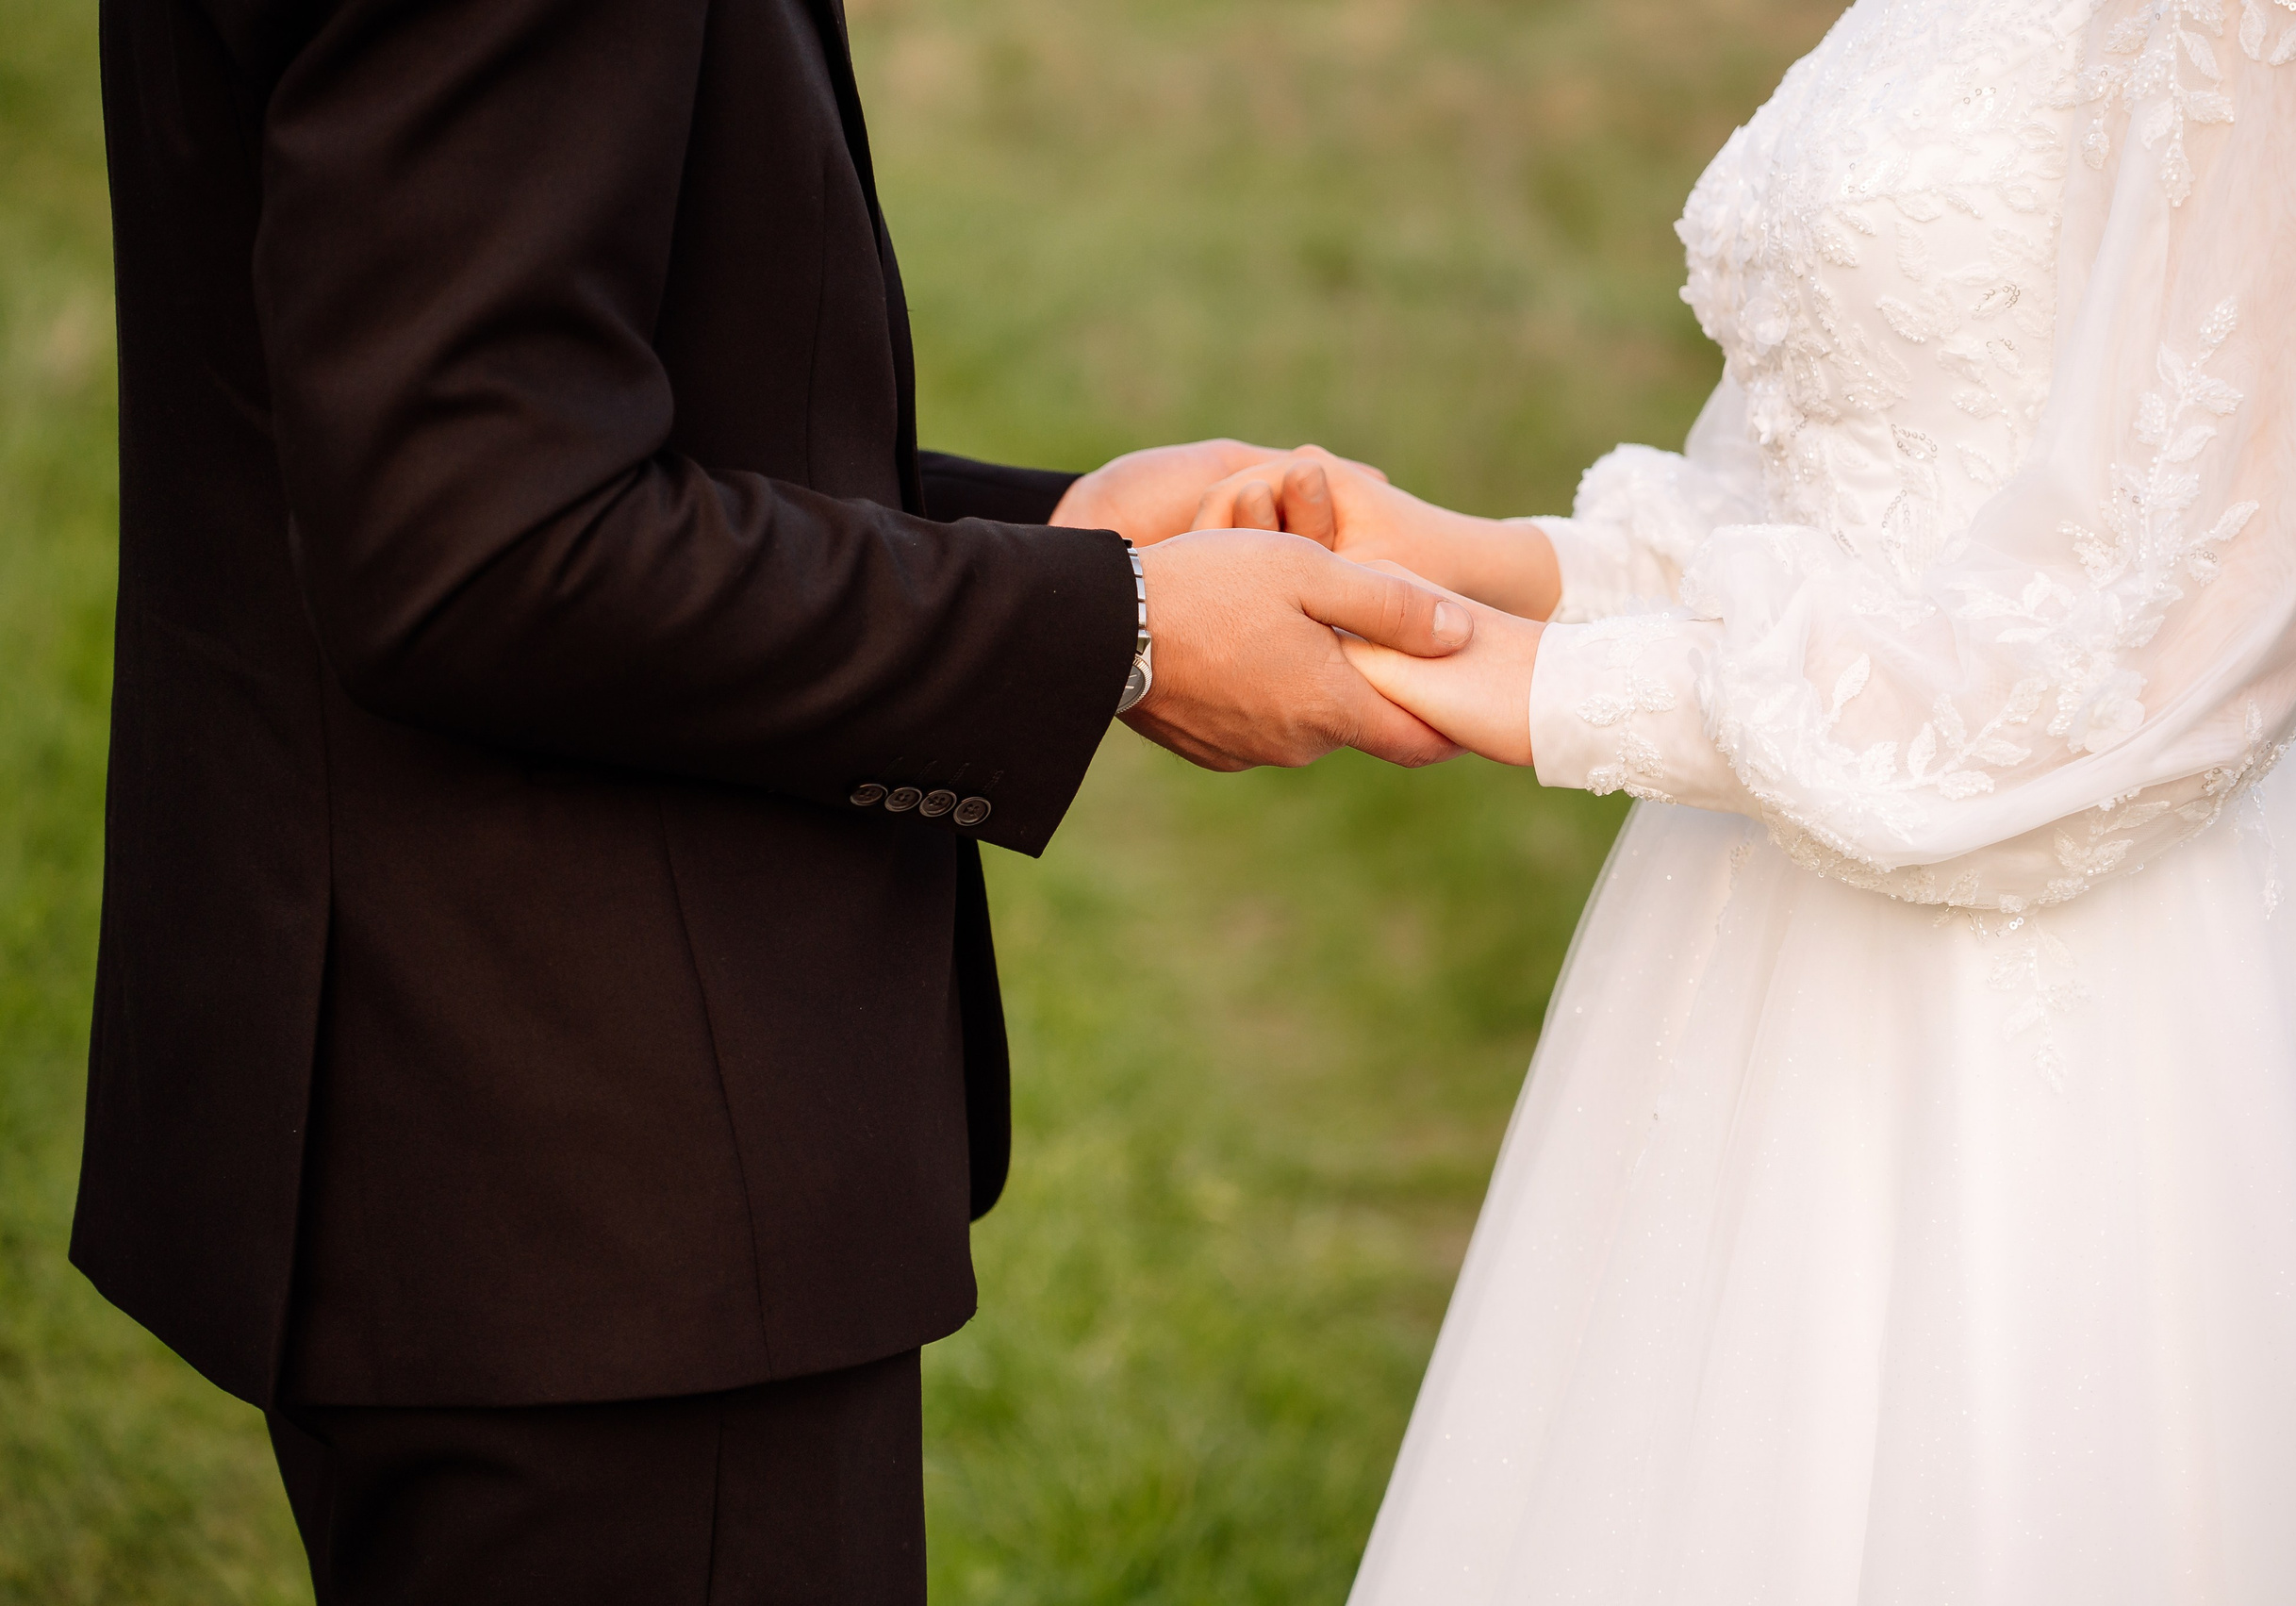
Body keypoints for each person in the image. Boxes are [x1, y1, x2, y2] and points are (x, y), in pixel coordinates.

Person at [72, 0, 1471, 1599]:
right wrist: (1123, 636)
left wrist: (1070, 547)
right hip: (595, 1194)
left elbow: (464, 420)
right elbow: (482, 549)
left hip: (446, 1121)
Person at [1195, 2, 2296, 1596]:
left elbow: (2177, 632)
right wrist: (1451, 558)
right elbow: (1807, 517)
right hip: (1761, 936)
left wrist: (1541, 690)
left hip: (2087, 978)